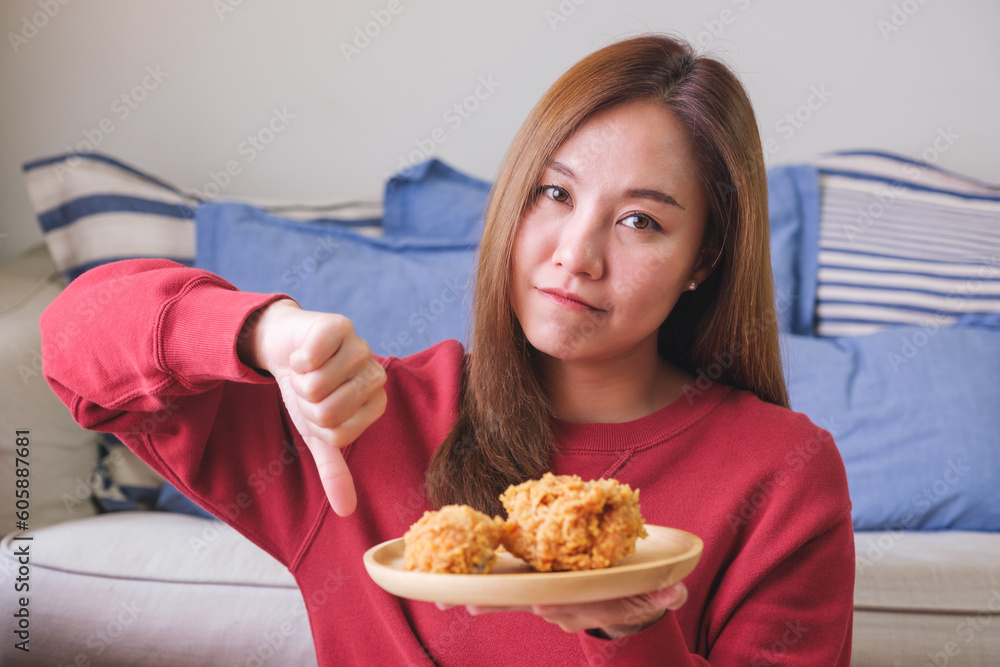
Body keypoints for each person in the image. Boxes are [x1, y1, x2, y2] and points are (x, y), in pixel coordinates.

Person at [41, 33, 854, 665]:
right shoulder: (359, 420)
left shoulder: (782, 472)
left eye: (641, 219)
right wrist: (262, 332)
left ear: (703, 261)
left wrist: (631, 636)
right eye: (554, 194)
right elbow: (74, 340)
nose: (577, 252)